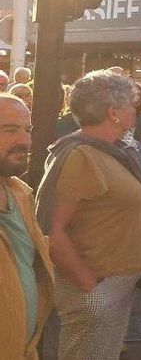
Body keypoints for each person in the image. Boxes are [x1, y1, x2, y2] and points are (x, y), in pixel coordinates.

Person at [36, 70, 141, 360]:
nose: (137, 111)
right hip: (95, 289)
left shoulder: (111, 150)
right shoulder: (80, 156)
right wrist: (90, 290)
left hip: (115, 283)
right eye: (133, 105)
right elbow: (50, 229)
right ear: (113, 112)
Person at [0, 95, 53, 359]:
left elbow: (25, 256)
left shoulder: (20, 193)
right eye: (10, 130)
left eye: (27, 130)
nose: (25, 141)